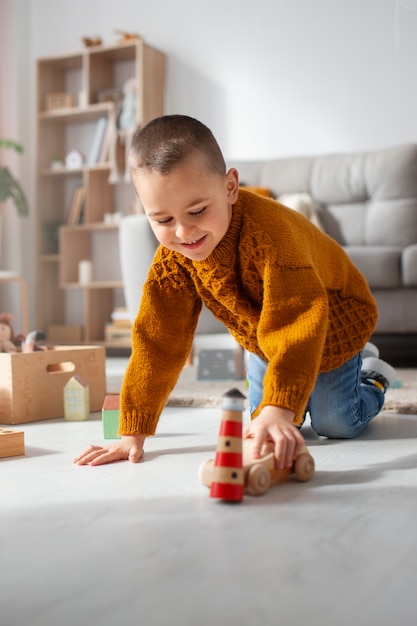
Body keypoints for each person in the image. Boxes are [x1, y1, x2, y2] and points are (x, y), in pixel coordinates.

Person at [73, 114, 396, 469]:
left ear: (230, 188)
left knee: (336, 424)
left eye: (197, 210)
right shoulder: (175, 258)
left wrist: (279, 407)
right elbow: (157, 341)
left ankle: (372, 375)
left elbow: (297, 321)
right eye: (163, 220)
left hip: (332, 319)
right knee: (268, 426)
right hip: (262, 334)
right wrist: (132, 433)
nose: (183, 231)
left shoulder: (273, 238)